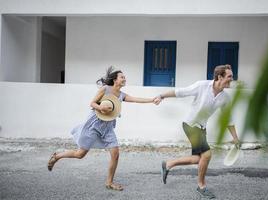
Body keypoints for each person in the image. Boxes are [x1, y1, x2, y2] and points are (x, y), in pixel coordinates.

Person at [47, 66, 159, 191]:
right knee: (80, 154)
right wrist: (101, 108)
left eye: (124, 77)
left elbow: (136, 99)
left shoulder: (121, 95)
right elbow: (92, 103)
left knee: (115, 154)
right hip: (94, 124)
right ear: (115, 80)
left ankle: (109, 182)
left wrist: (151, 100)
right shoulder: (105, 89)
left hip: (108, 127)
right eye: (122, 77)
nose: (124, 78)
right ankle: (57, 156)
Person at [155, 64, 240, 199]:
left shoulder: (225, 98)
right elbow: (181, 92)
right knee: (207, 155)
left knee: (198, 159)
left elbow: (228, 119)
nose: (232, 79)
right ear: (219, 77)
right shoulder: (202, 86)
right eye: (229, 76)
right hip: (190, 125)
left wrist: (235, 138)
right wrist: (161, 95)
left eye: (232, 77)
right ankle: (201, 186)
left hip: (201, 127)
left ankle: (168, 164)